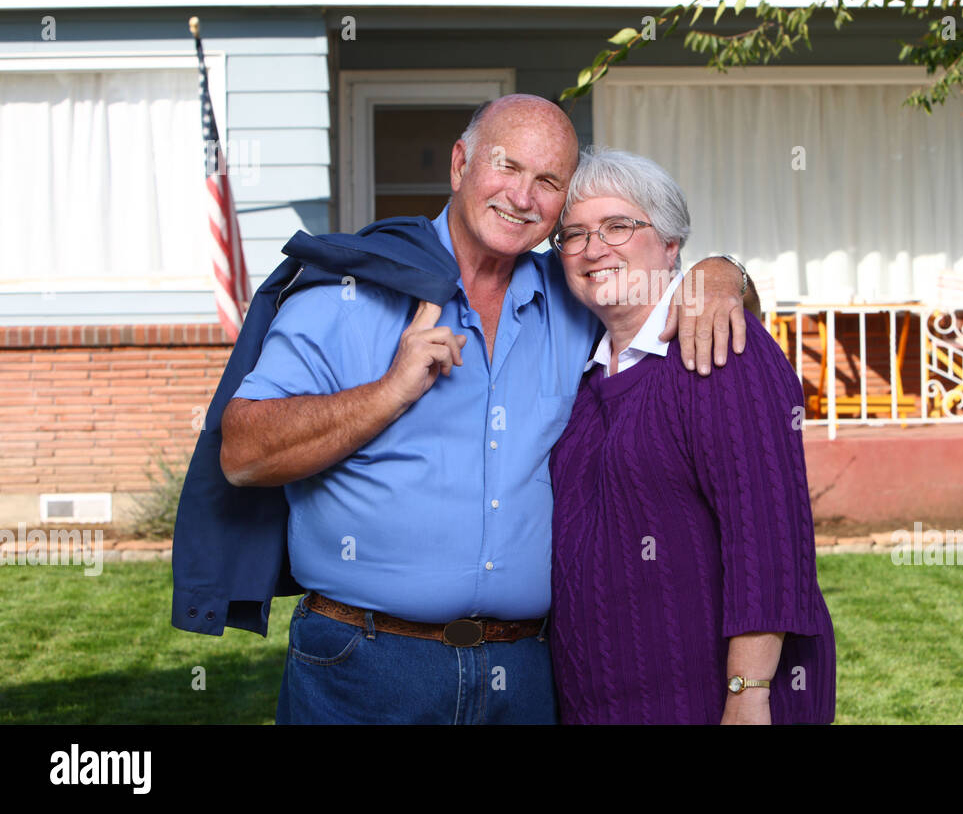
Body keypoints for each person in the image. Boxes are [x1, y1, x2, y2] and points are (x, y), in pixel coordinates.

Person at [217, 95, 752, 724]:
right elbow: (242, 453)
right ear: (460, 164)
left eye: (548, 182)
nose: (523, 197)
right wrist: (390, 390)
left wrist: (722, 272)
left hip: (524, 672)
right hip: (366, 667)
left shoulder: (575, 297)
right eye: (507, 167)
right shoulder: (350, 294)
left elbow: (663, 284)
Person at [547, 148, 836, 725]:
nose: (593, 247)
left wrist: (748, 690)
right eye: (573, 234)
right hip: (602, 700)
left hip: (712, 701)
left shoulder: (719, 346)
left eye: (618, 226)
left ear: (672, 244)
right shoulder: (581, 373)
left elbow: (768, 534)